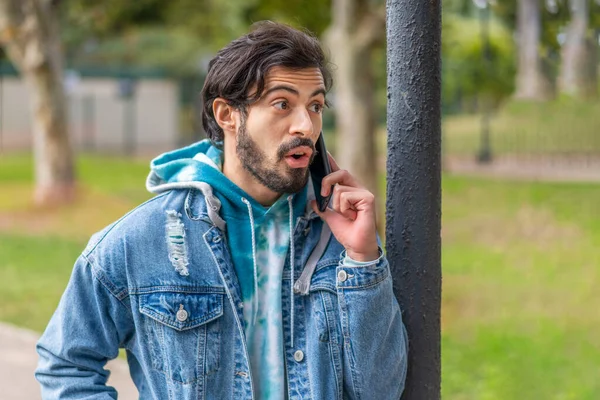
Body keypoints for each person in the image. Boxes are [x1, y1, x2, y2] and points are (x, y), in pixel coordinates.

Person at [35, 21, 408, 399]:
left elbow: (382, 390)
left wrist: (363, 259)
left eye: (315, 105)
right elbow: (66, 366)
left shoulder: (341, 240)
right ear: (227, 115)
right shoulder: (139, 241)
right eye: (282, 104)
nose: (305, 125)